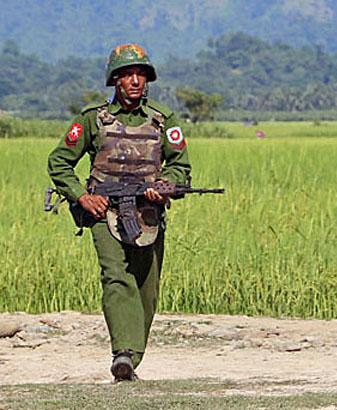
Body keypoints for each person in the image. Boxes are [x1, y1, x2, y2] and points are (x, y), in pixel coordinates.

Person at [47, 43, 191, 381]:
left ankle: (132, 355)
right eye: (127, 75)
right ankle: (122, 354)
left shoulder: (162, 119)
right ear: (115, 80)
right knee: (115, 276)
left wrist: (166, 185)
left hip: (148, 215)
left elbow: (180, 166)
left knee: (147, 287)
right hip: (103, 213)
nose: (135, 81)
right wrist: (82, 196)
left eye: (141, 74)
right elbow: (59, 162)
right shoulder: (92, 120)